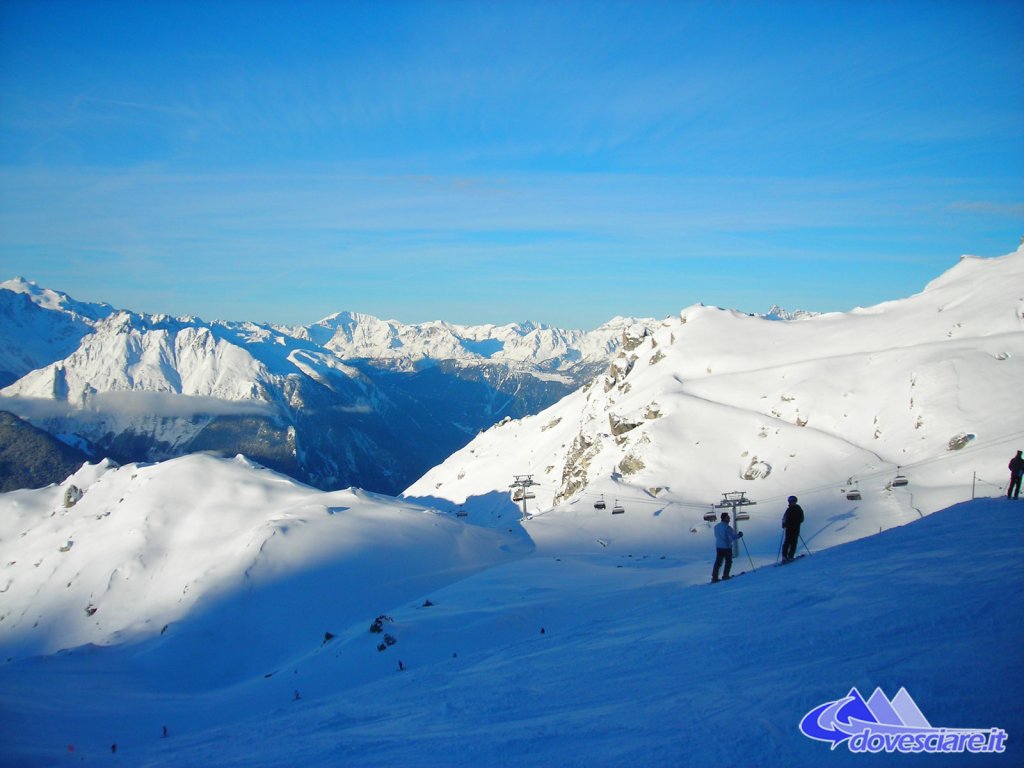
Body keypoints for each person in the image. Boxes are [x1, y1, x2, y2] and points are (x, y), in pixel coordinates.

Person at [712, 512, 743, 582]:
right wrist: (739, 535)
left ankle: (714, 577)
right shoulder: (727, 528)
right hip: (726, 547)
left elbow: (716, 535)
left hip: (719, 546)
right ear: (725, 518)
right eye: (728, 517)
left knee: (718, 562)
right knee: (728, 561)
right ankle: (725, 576)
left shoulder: (716, 526)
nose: (729, 519)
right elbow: (732, 538)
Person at [781, 495, 804, 561]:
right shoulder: (788, 510)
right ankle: (784, 556)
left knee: (793, 542)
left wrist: (796, 522)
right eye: (791, 501)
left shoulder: (798, 509)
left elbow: (802, 518)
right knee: (787, 542)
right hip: (789, 529)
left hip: (796, 528)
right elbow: (784, 518)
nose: (792, 502)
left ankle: (790, 556)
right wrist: (784, 524)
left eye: (793, 501)